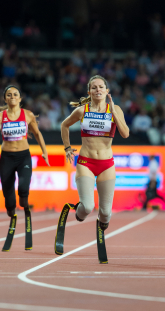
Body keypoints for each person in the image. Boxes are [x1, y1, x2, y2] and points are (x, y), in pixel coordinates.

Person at [61, 75, 129, 230]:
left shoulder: (115, 109)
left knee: (105, 213)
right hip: (86, 162)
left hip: (106, 165)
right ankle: (80, 212)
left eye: (101, 87)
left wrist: (114, 113)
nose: (98, 89)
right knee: (87, 207)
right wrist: (67, 147)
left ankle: (103, 221)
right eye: (94, 87)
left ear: (107, 91)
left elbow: (125, 134)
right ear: (89, 92)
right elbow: (64, 125)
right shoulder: (82, 110)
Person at [0, 85, 49, 217]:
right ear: (5, 99)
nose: (12, 97)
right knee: (8, 198)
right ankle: (11, 211)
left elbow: (37, 134)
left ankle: (25, 206)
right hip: (6, 158)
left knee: (23, 188)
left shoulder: (28, 115)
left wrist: (45, 152)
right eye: (9, 95)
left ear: (20, 98)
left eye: (15, 94)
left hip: (23, 156)